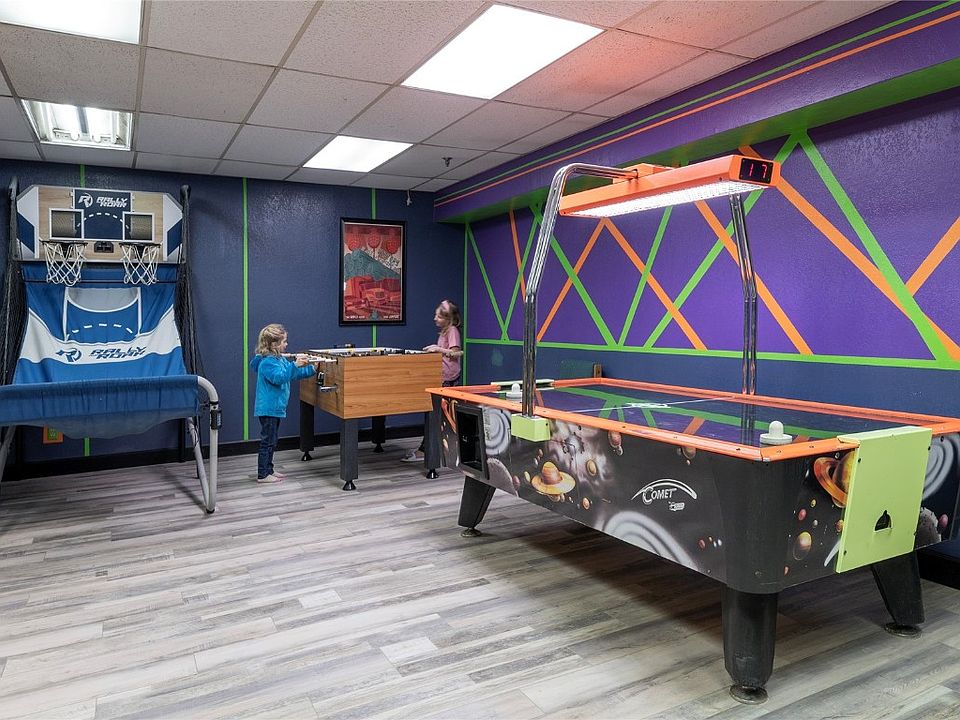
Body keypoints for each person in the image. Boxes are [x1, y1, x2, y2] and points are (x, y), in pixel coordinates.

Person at [250, 323, 317, 483]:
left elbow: (292, 374)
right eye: (284, 342)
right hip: (269, 409)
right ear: (274, 344)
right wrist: (295, 364)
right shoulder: (267, 363)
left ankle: (269, 469)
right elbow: (280, 377)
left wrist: (312, 369)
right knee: (268, 441)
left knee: (272, 441)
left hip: (276, 408)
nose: (286, 344)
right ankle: (263, 474)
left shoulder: (279, 359)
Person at [402, 300, 462, 463]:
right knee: (435, 415)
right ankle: (428, 449)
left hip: (449, 380)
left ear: (448, 319)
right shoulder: (444, 332)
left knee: (438, 416)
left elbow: (456, 352)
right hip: (441, 377)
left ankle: (427, 451)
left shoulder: (452, 331)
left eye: (439, 316)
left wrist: (438, 349)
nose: (435, 319)